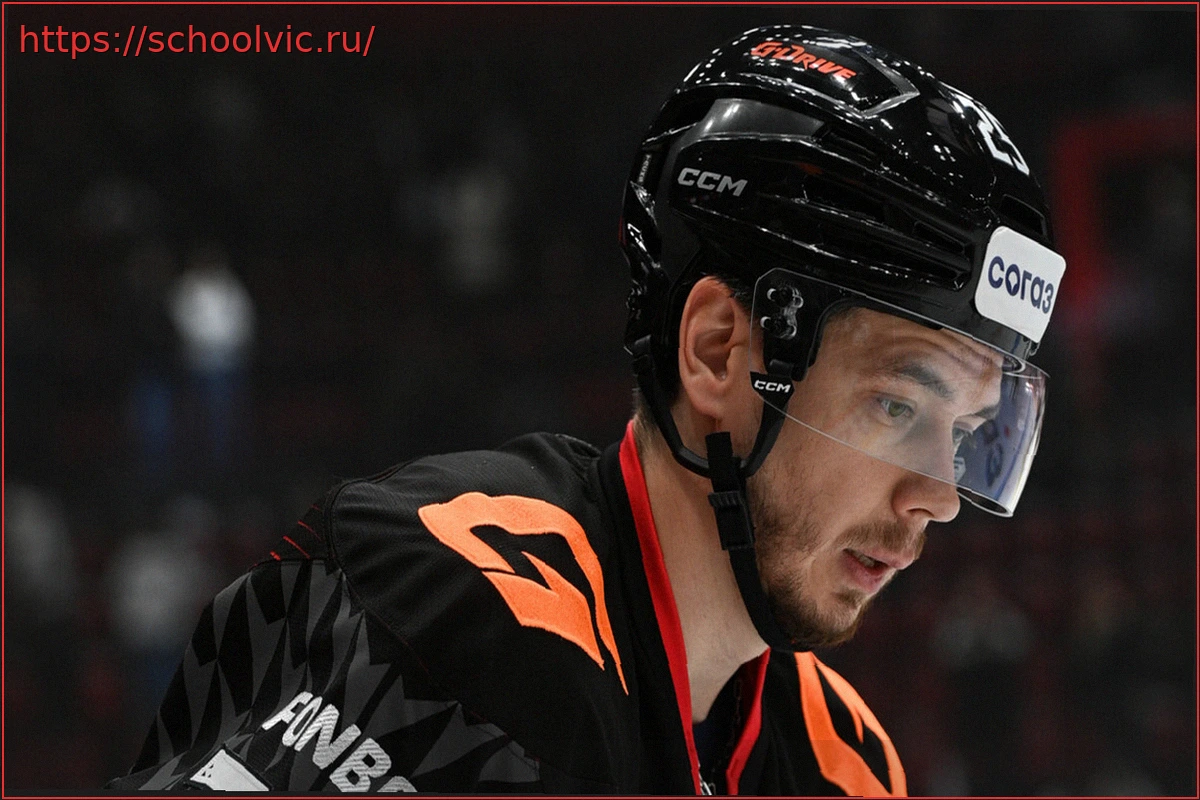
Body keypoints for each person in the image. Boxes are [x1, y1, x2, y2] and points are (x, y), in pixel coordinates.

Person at [108, 24, 1065, 794]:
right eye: (898, 405)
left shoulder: (842, 764)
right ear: (718, 352)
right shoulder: (465, 616)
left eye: (966, 431)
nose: (939, 496)